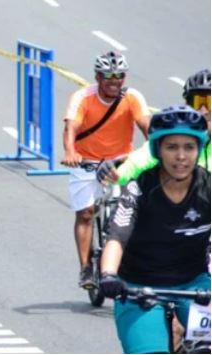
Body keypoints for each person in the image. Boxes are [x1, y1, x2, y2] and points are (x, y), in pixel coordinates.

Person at [99, 104, 210, 354]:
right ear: (157, 149)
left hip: (195, 286)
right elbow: (117, 236)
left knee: (207, 346)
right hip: (138, 287)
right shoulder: (139, 188)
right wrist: (108, 275)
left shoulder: (208, 187)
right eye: (172, 147)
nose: (181, 156)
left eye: (189, 147)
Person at [62, 51, 150, 289]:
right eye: (108, 75)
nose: (114, 80)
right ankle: (86, 268)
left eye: (119, 75)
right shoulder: (83, 97)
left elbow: (147, 126)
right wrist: (70, 153)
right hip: (87, 161)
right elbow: (71, 128)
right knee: (86, 213)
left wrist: (157, 150)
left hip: (122, 162)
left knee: (132, 210)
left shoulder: (132, 97)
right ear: (98, 77)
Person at [98, 68, 211, 185]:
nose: (204, 110)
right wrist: (115, 173)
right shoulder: (172, 135)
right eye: (197, 102)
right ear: (187, 104)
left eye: (210, 102)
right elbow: (138, 162)